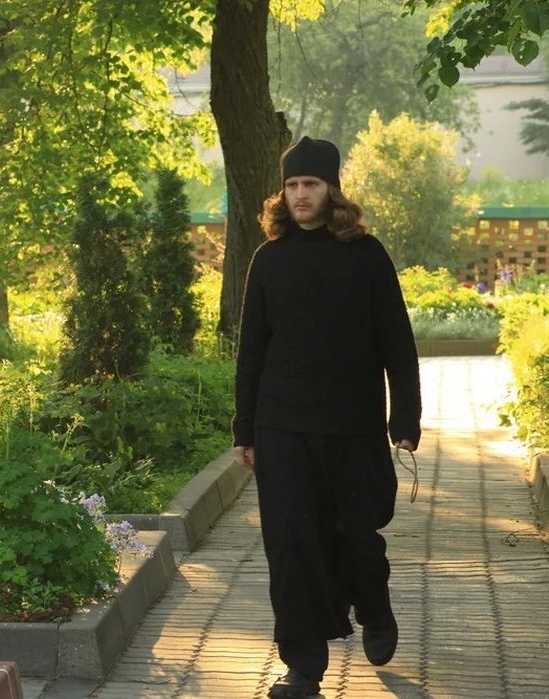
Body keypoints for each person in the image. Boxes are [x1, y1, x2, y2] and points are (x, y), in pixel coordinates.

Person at [232, 136, 421, 698]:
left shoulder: (366, 255)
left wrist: (404, 418)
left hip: (352, 425)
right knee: (290, 545)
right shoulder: (269, 260)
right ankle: (303, 668)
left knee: (355, 536)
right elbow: (251, 351)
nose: (300, 195)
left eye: (310, 184)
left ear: (332, 190)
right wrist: (245, 428)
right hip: (282, 426)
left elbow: (397, 342)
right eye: (291, 185)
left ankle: (374, 605)